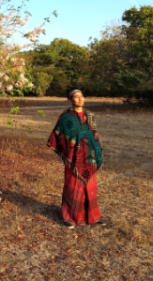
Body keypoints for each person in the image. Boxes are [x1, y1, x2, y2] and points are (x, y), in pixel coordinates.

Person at [47, 88, 104, 228]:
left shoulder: (89, 116)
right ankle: (70, 217)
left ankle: (93, 217)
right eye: (76, 97)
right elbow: (58, 136)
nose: (80, 99)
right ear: (70, 100)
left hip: (89, 158)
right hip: (73, 158)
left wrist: (97, 153)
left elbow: (94, 136)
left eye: (81, 96)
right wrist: (68, 153)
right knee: (73, 187)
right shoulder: (66, 117)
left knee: (90, 187)